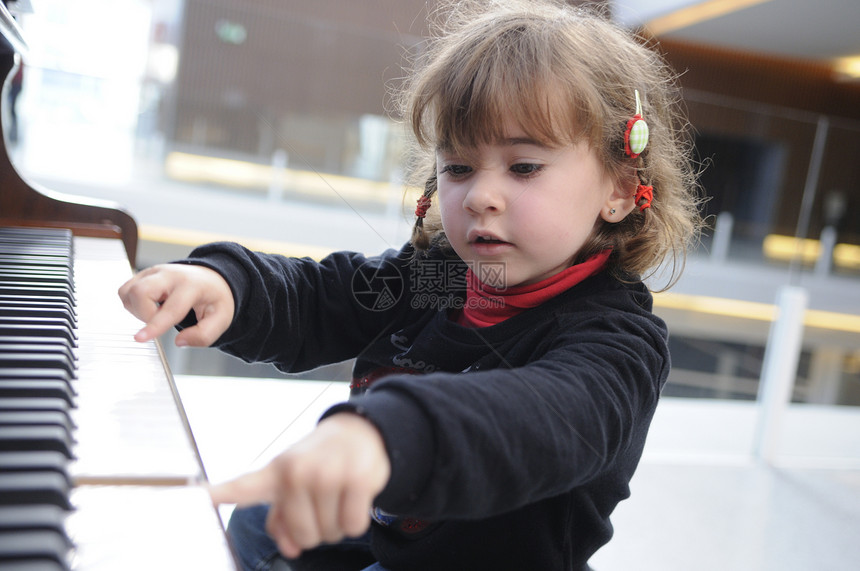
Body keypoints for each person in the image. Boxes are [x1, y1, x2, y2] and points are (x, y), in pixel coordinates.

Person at [118, 0, 702, 569]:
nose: (479, 196)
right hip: (389, 533)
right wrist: (231, 286)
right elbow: (326, 297)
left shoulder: (619, 341)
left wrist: (386, 436)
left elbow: (543, 418)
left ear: (621, 189)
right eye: (459, 167)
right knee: (258, 520)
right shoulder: (440, 277)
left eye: (523, 166)